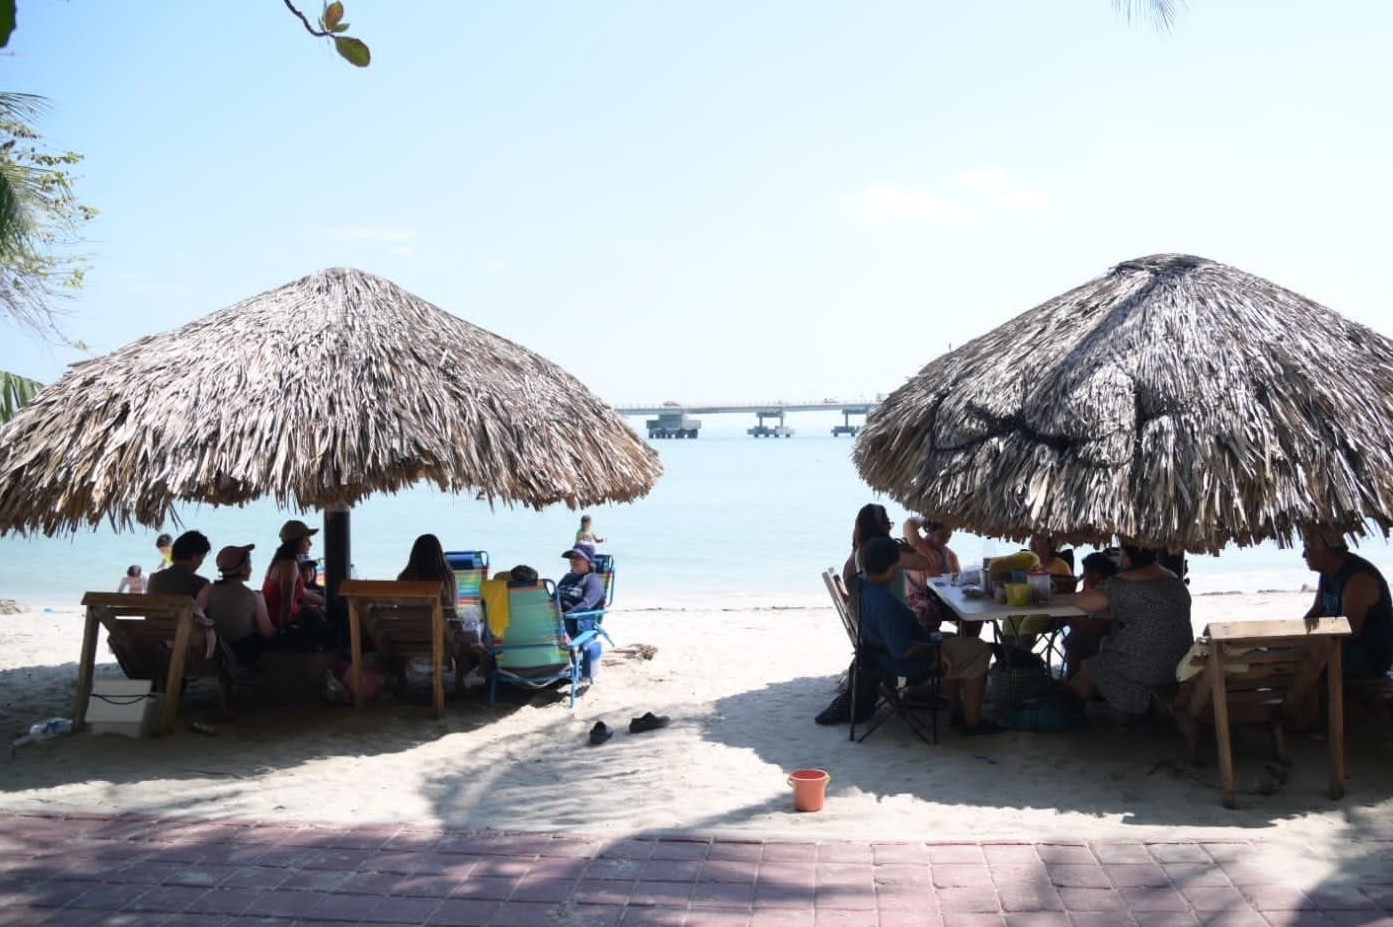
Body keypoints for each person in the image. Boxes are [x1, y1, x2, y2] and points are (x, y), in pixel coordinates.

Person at [857, 535, 1003, 736]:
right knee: (978, 649)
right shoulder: (885, 603)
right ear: (892, 567)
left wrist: (938, 643)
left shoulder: (865, 585)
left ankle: (957, 711)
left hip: (880, 654)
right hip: (903, 660)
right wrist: (937, 649)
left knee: (953, 639)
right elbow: (904, 650)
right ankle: (973, 723)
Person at [1068, 543, 1193, 718]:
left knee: (1087, 669)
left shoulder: (1121, 584)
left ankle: (1072, 717)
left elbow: (1083, 604)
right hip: (1180, 665)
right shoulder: (1174, 580)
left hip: (1142, 668)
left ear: (1126, 557)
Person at [1301, 533, 1393, 679]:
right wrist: (1291, 638)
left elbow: (1349, 631)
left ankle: (1291, 702)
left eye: (1307, 548)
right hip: (1341, 647)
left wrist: (1308, 644)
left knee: (1310, 660)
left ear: (1326, 550)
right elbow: (1315, 613)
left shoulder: (1359, 578)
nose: (1303, 555)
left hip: (1368, 656)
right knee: (1285, 655)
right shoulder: (1327, 574)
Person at [198, 544, 276, 667]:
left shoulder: (207, 590)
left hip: (215, 650)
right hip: (244, 654)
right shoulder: (256, 596)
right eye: (249, 564)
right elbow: (267, 632)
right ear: (244, 570)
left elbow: (197, 616)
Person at [262, 519, 332, 648]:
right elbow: (286, 602)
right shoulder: (289, 565)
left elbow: (303, 593)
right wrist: (283, 632)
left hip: (288, 613)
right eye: (307, 540)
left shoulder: (280, 561)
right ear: (297, 541)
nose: (310, 543)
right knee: (331, 628)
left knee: (322, 611)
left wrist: (328, 603)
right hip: (283, 619)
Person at [1063, 551, 1121, 677]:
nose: (1085, 576)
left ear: (1098, 573)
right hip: (1103, 631)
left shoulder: (1107, 590)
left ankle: (1072, 680)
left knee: (1075, 639)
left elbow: (1098, 628)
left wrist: (1077, 618)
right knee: (1075, 636)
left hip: (1110, 637)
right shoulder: (1097, 587)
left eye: (1088, 573)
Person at [559, 547, 608, 680]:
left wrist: (564, 615)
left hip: (574, 623)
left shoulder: (593, 580)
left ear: (588, 561)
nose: (573, 561)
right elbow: (553, 597)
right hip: (555, 618)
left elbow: (586, 604)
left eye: (577, 558)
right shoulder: (567, 577)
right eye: (571, 558)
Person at [397, 533, 458, 618]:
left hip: (406, 629)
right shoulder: (447, 578)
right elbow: (451, 613)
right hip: (439, 630)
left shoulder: (405, 578)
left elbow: (400, 609)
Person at [147, 530, 212, 598]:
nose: (201, 563)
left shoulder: (154, 580)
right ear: (195, 558)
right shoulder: (201, 585)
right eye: (202, 558)